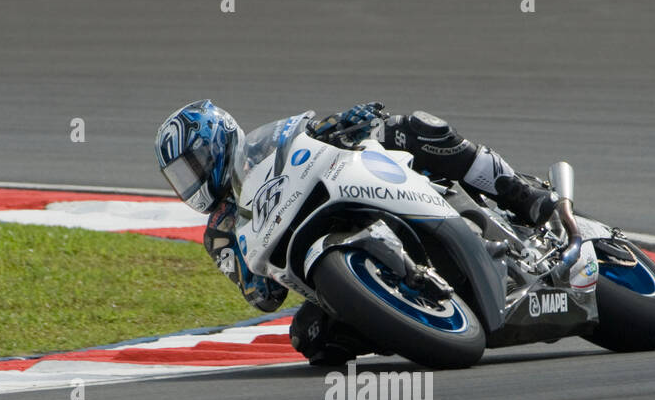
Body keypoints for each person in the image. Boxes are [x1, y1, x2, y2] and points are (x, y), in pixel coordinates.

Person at [154, 99, 557, 363]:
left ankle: (523, 194)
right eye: (181, 177)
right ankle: (407, 321)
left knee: (412, 128)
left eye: (195, 163)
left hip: (355, 186)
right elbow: (263, 297)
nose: (194, 180)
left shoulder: (265, 147)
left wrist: (347, 122)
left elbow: (319, 132)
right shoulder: (220, 234)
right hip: (313, 259)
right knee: (309, 338)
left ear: (219, 140)